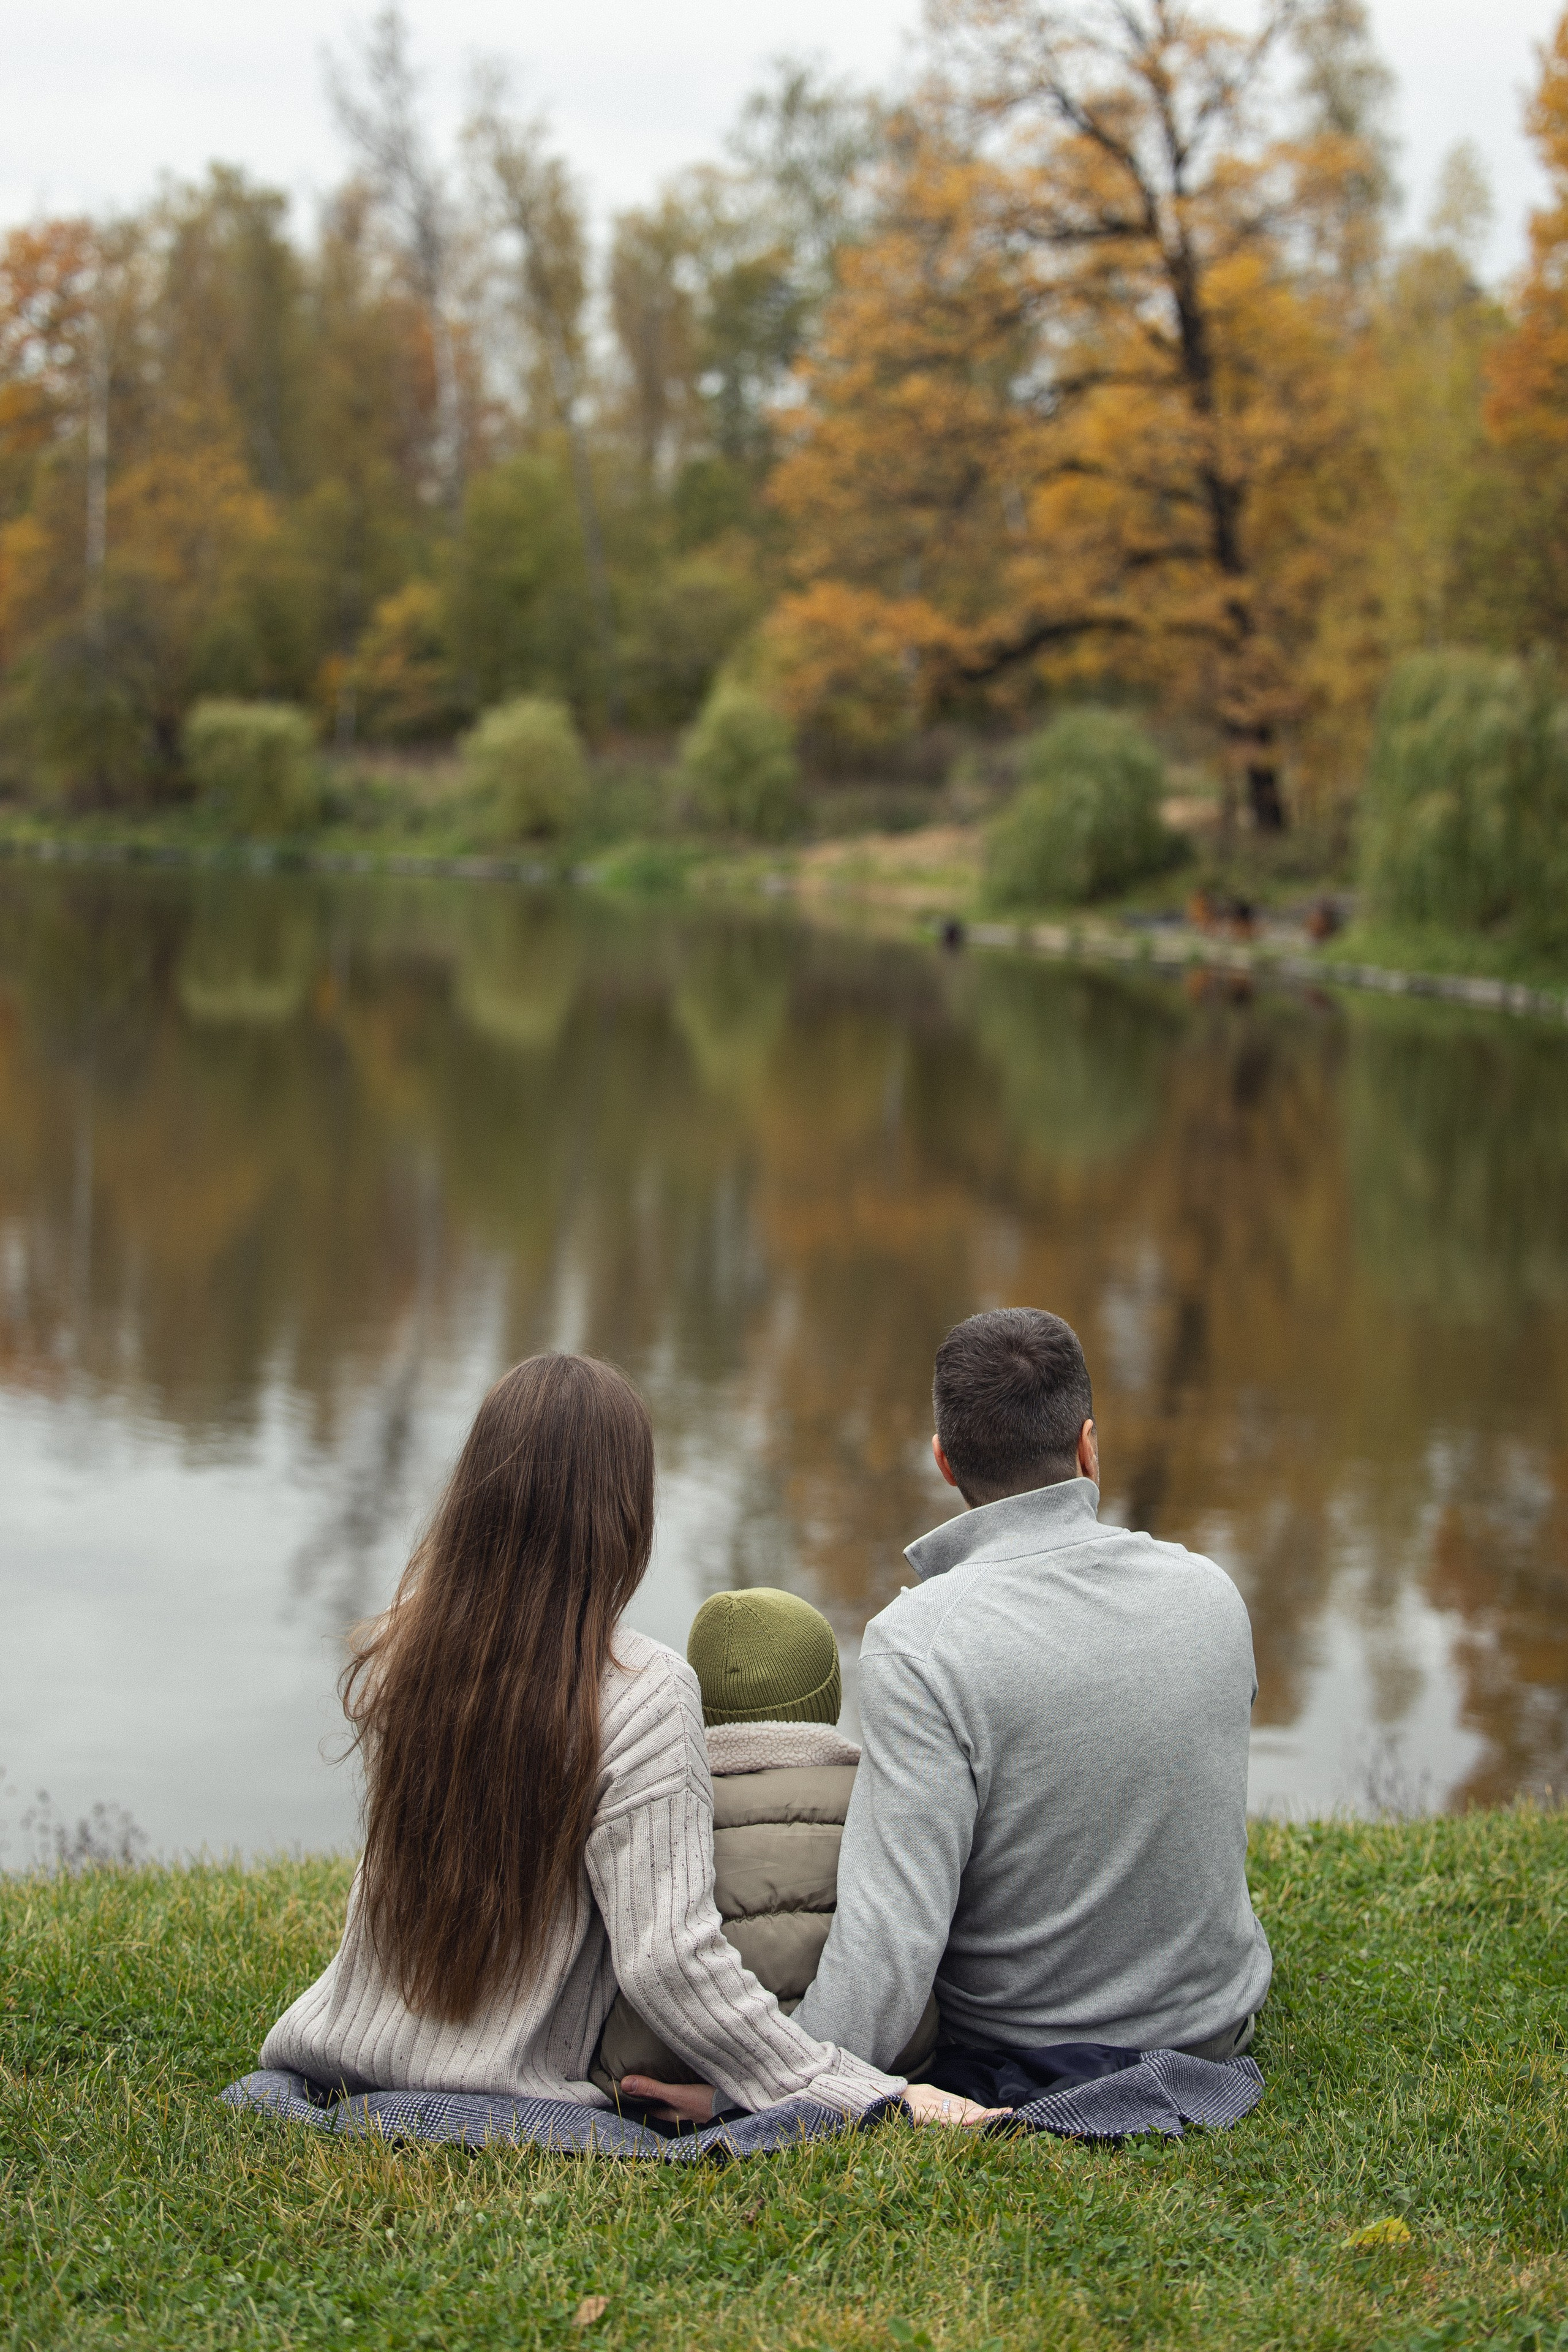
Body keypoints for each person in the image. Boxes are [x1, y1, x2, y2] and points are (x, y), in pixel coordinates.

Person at [257, 1353, 986, 2127]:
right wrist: (862, 2092)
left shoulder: (406, 1652)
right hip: (497, 2097)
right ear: (623, 1511)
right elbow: (670, 1963)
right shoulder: (644, 1689)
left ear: (475, 1493)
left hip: (339, 2060)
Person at [791, 1308, 1273, 2089]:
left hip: (1023, 2053)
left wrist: (773, 2083)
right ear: (1087, 1446)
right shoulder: (1210, 1592)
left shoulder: (918, 1643)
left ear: (944, 1462)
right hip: (1214, 2030)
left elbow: (889, 1943)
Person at [593, 1586, 938, 2096]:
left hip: (661, 2071)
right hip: (885, 2066)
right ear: (829, 1697)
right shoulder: (883, 1799)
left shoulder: (651, 1802)